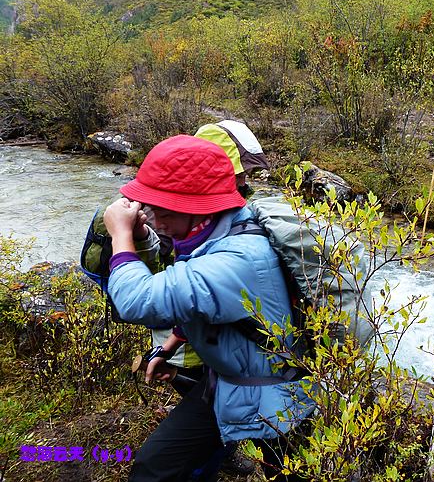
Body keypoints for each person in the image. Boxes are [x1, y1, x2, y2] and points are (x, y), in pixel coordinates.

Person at [103, 135, 313, 482]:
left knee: (289, 473)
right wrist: (170, 346)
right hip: (229, 381)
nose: (153, 217)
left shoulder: (239, 258)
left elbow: (137, 301)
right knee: (153, 468)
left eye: (162, 208)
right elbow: (209, 303)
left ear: (197, 207)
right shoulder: (217, 230)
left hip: (277, 392)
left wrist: (121, 237)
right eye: (150, 207)